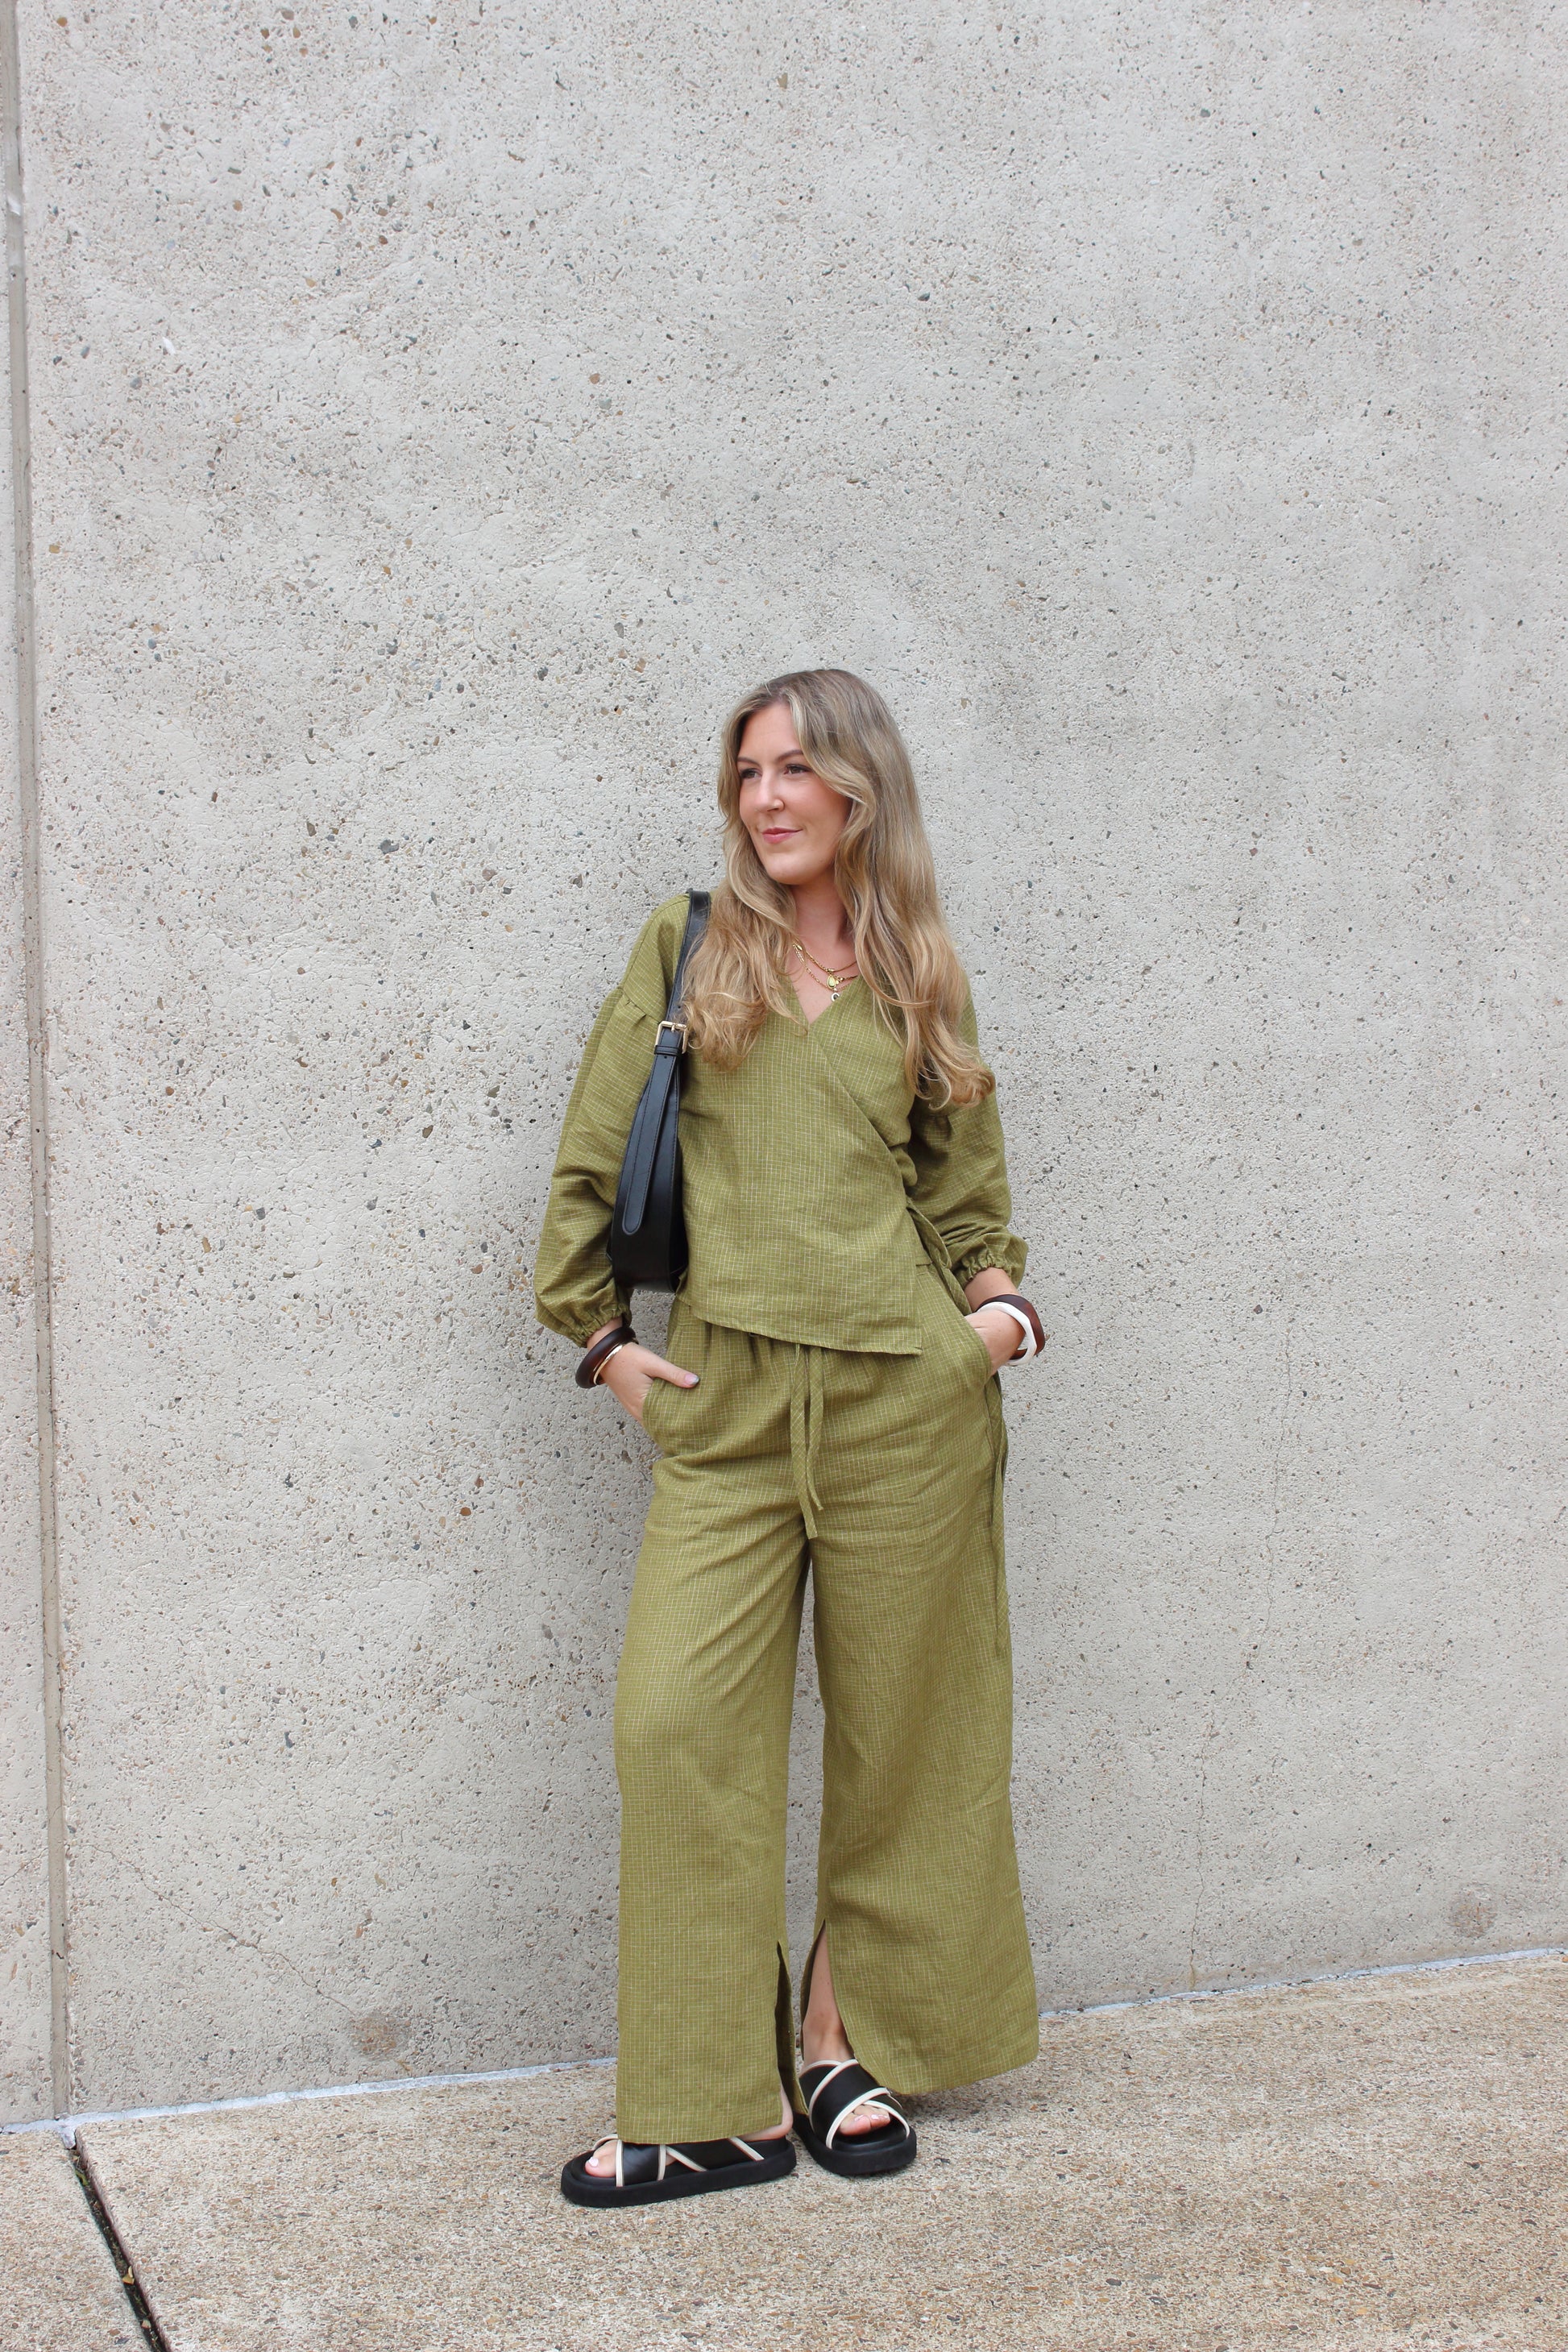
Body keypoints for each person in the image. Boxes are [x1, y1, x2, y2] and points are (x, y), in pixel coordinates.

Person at [533, 668, 1045, 2207]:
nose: (763, 799)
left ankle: (839, 2040)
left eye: (793, 771)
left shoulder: (917, 968)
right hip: (733, 1405)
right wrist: (604, 1345)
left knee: (910, 1746)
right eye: (746, 773)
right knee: (674, 1725)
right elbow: (592, 1157)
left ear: (858, 789)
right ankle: (715, 2104)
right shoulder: (690, 944)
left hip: (906, 1405)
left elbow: (964, 1193)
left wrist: (993, 1325)